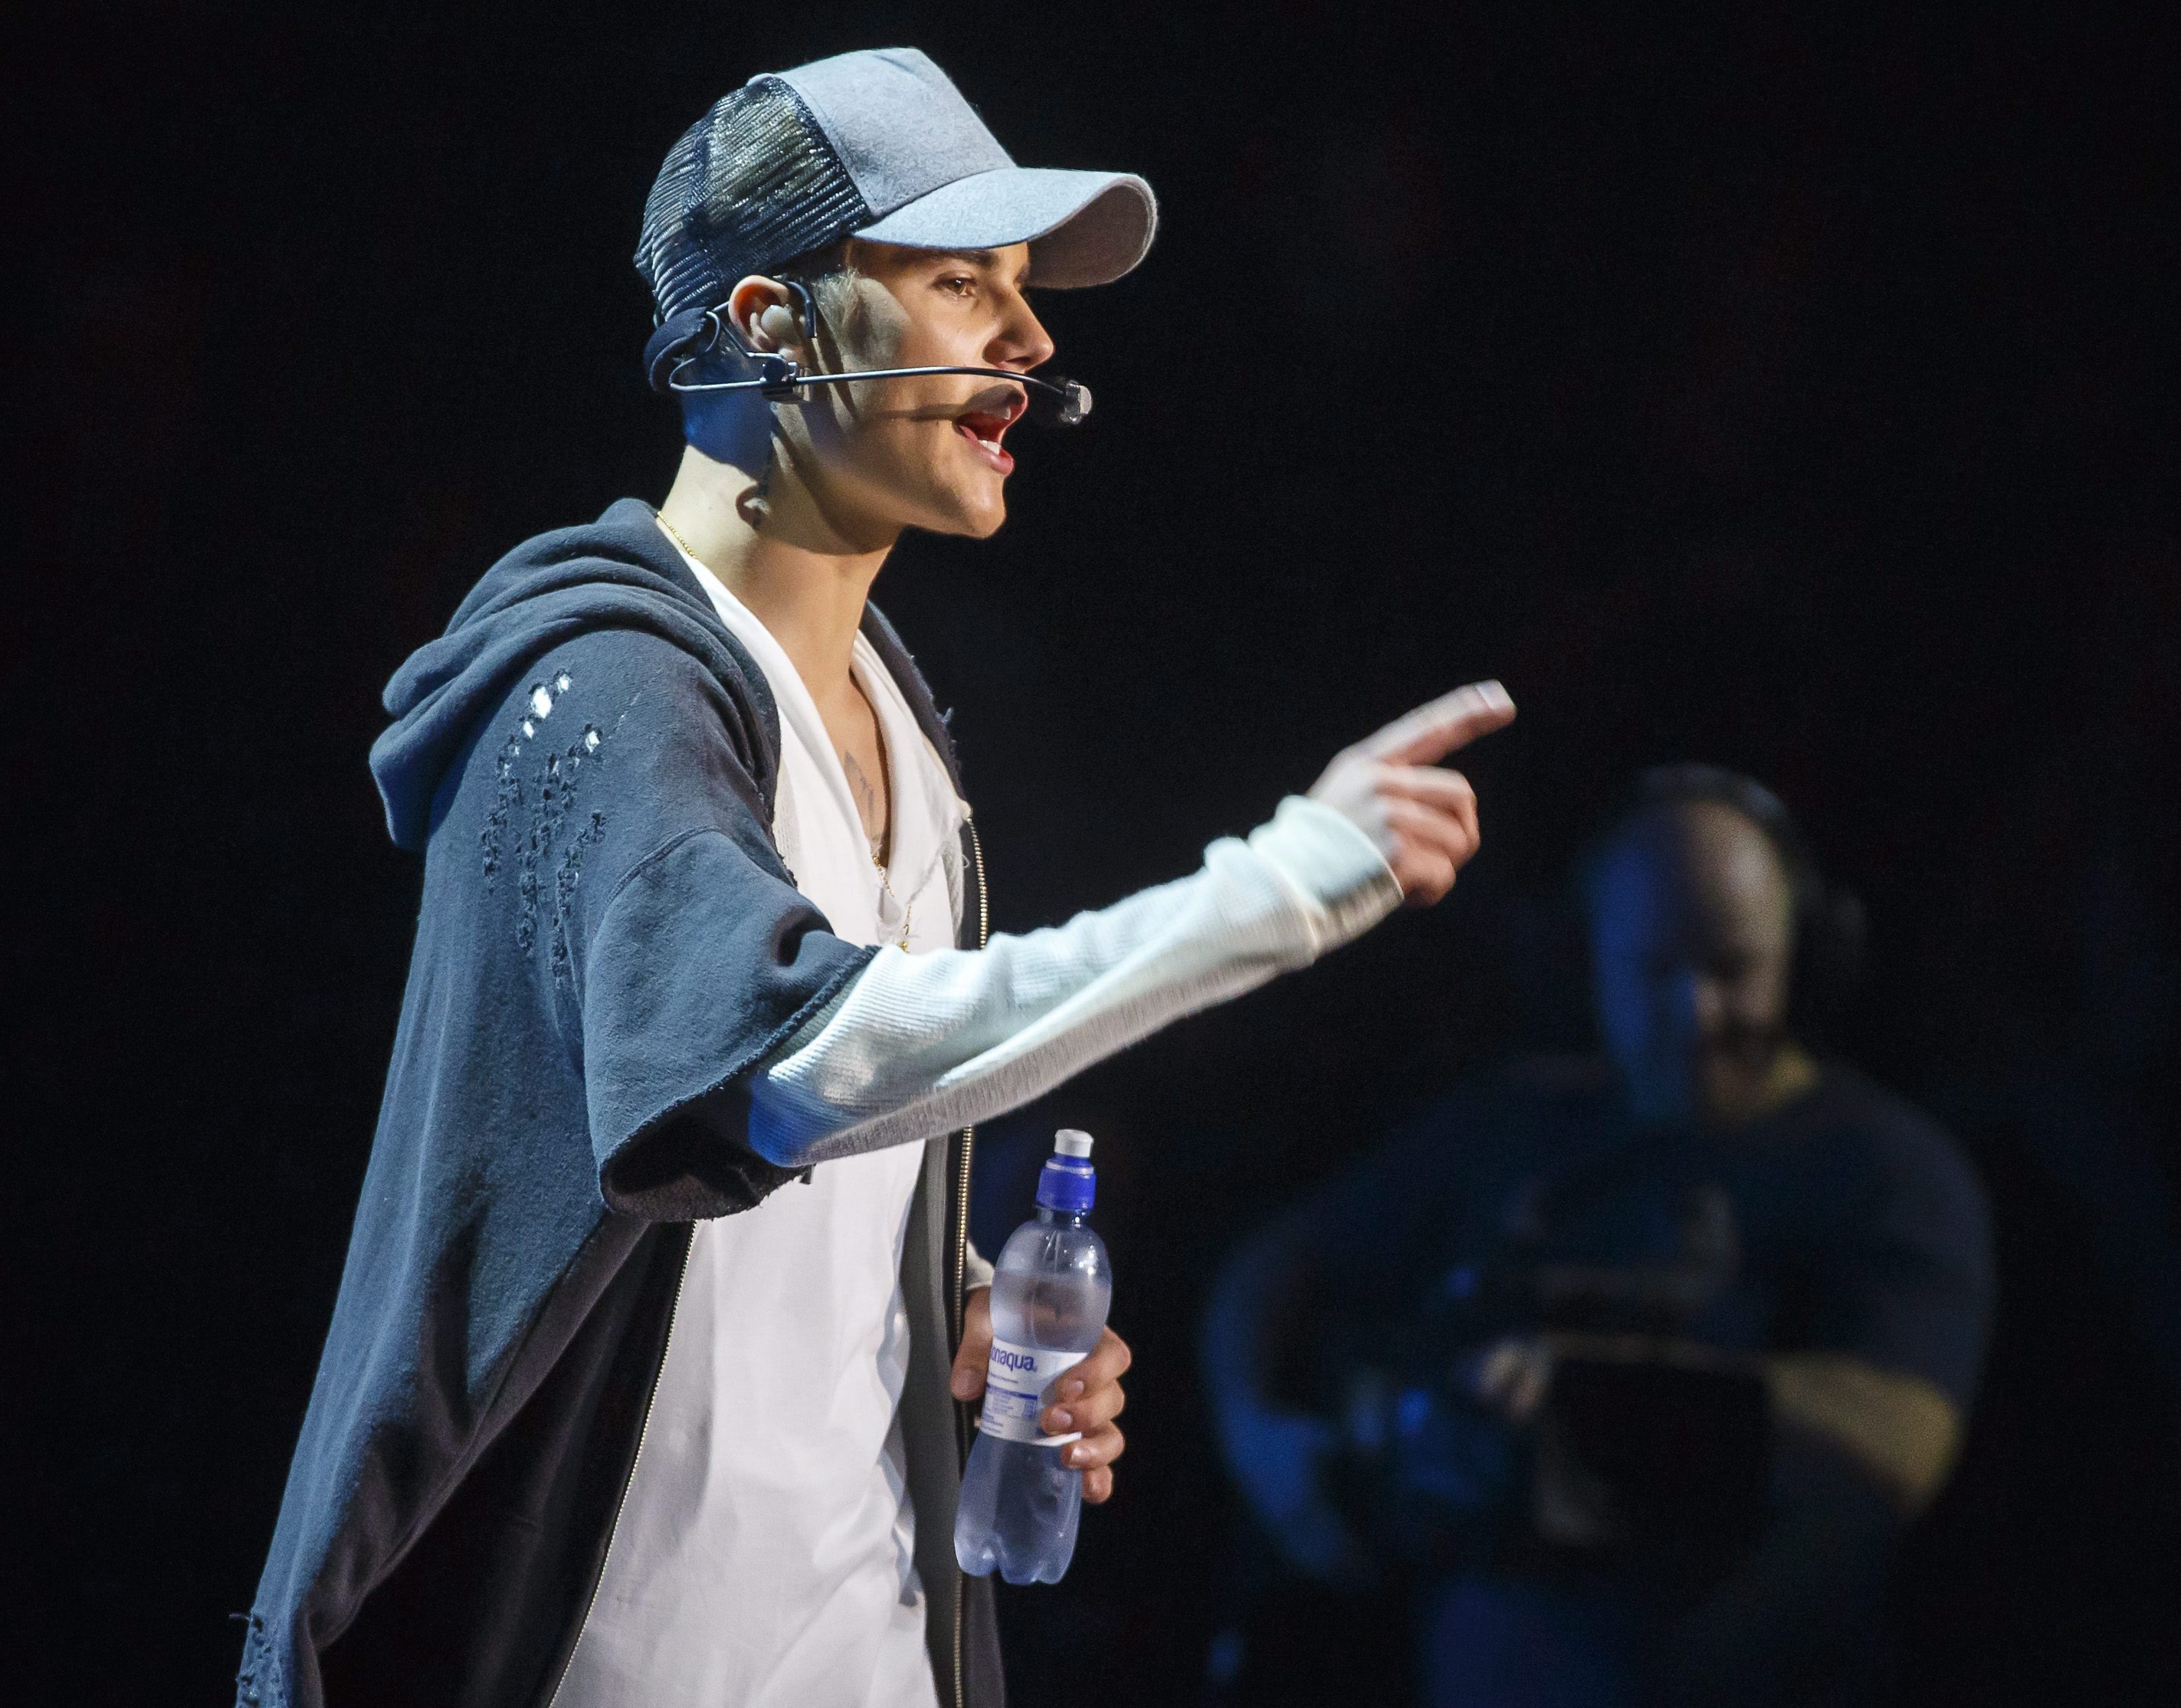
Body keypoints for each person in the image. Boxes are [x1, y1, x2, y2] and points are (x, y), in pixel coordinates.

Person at [234, 48, 1516, 1708]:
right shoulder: (605, 687)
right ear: (770, 321)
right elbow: (789, 1059)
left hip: (871, 1645)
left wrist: (933, 1307)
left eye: (1023, 288)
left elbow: (797, 1160)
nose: (1030, 340)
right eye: (961, 282)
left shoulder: (907, 728)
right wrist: (1274, 889)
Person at [1203, 766, 1992, 1707]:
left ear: (1804, 954)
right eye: (1655, 972)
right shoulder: (1516, 1122)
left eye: (1734, 969)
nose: (1695, 1015)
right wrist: (1259, 1435)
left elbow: (1900, 1445)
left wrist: (1599, 1392)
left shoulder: (1886, 1168)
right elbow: (1276, 1264)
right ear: (1587, 966)